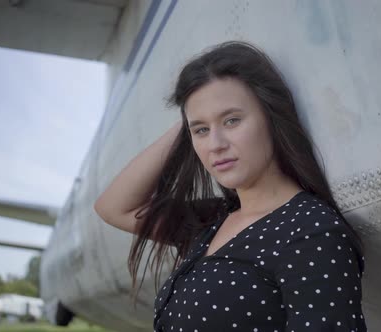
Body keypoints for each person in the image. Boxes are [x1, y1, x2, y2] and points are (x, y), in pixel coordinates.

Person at [94, 40, 367, 331]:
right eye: (201, 130)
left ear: (272, 117)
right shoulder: (213, 221)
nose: (215, 145)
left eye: (232, 120)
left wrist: (202, 116)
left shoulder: (310, 232)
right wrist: (191, 119)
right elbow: (113, 207)